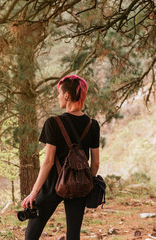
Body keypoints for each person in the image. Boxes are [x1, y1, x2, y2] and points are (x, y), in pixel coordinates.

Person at [21, 75, 100, 240]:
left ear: (67, 96)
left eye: (59, 93)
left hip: (52, 185)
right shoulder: (93, 125)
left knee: (32, 233)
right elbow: (95, 163)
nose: (58, 96)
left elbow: (49, 161)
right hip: (79, 185)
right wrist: (87, 182)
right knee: (73, 235)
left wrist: (34, 192)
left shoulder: (53, 123)